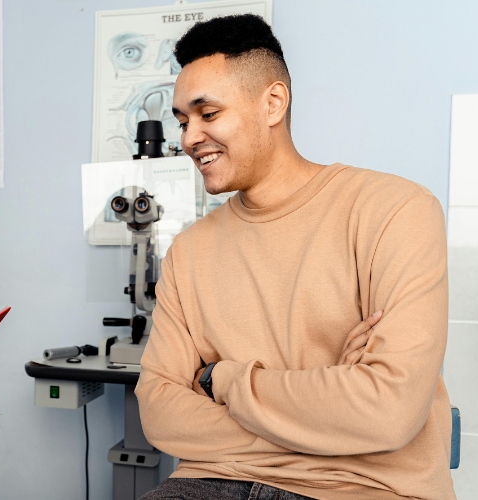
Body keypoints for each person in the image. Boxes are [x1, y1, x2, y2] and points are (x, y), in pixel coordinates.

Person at [135, 14, 454, 500]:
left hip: (364, 487)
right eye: (182, 122)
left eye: (208, 114)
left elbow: (388, 411)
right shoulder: (189, 251)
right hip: (211, 483)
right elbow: (158, 409)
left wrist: (220, 379)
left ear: (273, 103)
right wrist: (330, 420)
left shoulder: (397, 211)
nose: (188, 138)